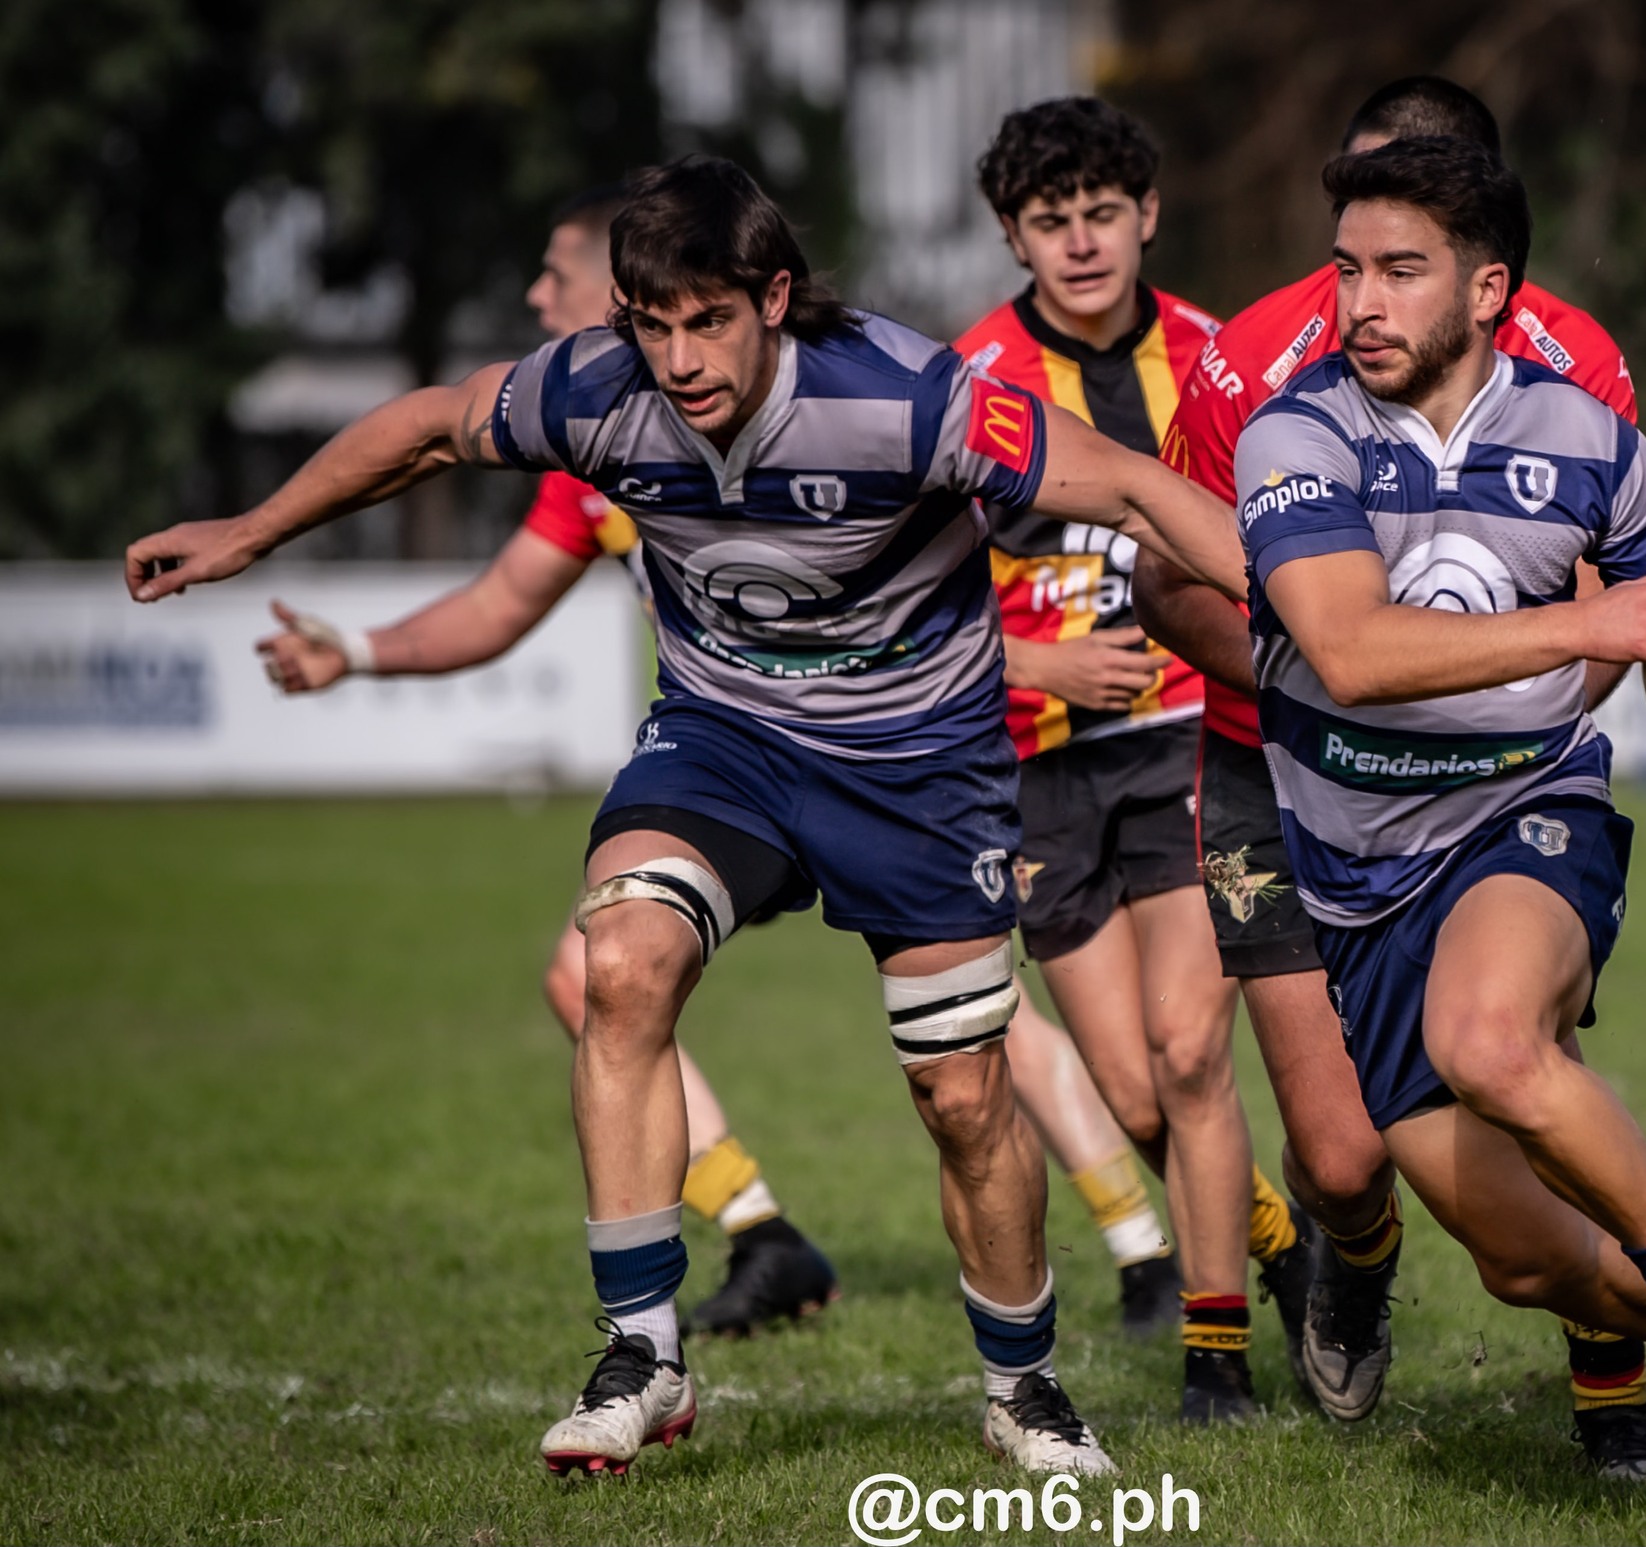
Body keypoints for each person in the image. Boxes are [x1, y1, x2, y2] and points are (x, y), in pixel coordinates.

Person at [128, 155, 1248, 1479]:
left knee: (960, 1089)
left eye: (708, 320)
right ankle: (642, 1352)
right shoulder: (596, 386)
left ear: (774, 297)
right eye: (652, 324)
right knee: (619, 959)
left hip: (919, 760)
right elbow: (431, 423)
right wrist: (254, 531)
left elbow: (1126, 483)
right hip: (728, 742)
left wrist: (1311, 624)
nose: (680, 357)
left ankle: (1022, 1383)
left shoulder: (904, 394)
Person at [1224, 132, 1646, 1509]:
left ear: (1491, 287)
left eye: (1401, 272)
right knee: (1527, 1259)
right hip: (1356, 883)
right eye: (1347, 272)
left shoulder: (1593, 443)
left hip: (1524, 811)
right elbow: (1350, 649)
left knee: (1491, 1038)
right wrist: (1592, 618)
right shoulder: (1295, 432)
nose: (1361, 304)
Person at [1135, 76, 1646, 1475]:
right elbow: (1162, 579)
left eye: (1410, 241)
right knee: (1336, 1152)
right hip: (1277, 764)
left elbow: (1627, 583)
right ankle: (1354, 1258)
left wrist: (1525, 702)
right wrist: (1334, 672)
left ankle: (1617, 1396)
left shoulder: (1580, 362)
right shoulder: (1254, 369)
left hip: (1497, 784)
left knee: (1527, 1070)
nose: (1365, 283)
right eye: (1353, 242)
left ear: (1485, 255)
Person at [259, 186, 840, 1340]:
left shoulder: (814, 408)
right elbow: (498, 604)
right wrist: (357, 650)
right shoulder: (598, 446)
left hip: (886, 743)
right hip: (739, 766)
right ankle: (759, 1235)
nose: (536, 296)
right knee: (595, 967)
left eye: (551, 272)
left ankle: (1174, 1252)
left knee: (989, 1031)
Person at [955, 95, 1311, 1423]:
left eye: (1105, 213)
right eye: (1053, 222)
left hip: (1187, 738)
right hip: (1038, 763)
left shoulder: (1224, 362)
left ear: (1148, 215)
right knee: (1125, 1083)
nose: (1083, 242)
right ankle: (1286, 1244)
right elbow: (917, 603)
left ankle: (1214, 1360)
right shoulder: (969, 379)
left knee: (1185, 1051)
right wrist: (1034, 665)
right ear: (1014, 235)